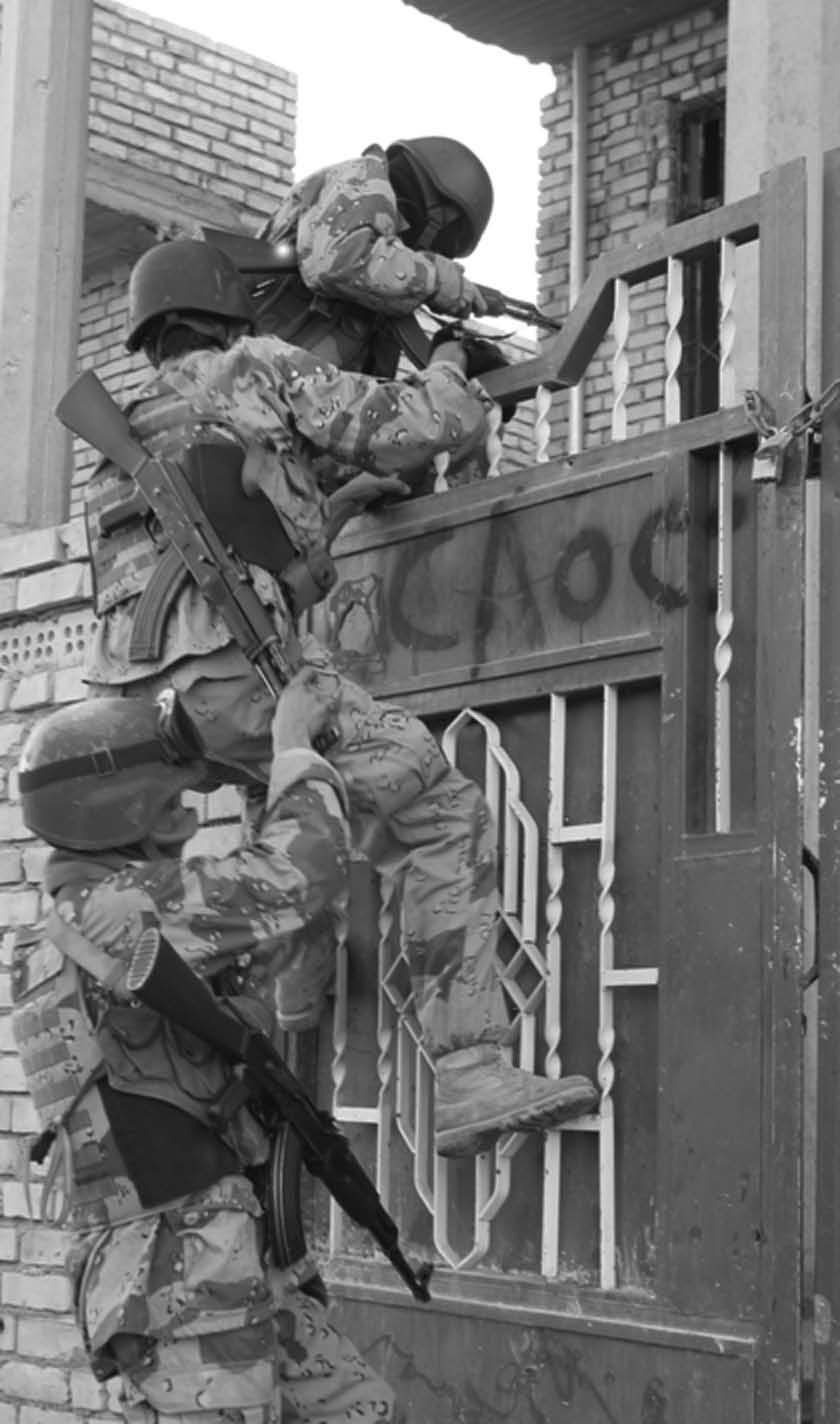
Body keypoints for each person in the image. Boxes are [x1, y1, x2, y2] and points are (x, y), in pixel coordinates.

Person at [82, 237, 598, 1159]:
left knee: (284, 789)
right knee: (438, 808)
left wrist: (341, 502)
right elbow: (423, 424)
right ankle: (473, 1072)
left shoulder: (122, 435)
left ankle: (295, 1000)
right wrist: (451, 357)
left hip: (134, 718)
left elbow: (261, 566)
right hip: (237, 687)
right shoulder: (256, 366)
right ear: (234, 315)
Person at [11, 671, 397, 1423]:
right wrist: (291, 749)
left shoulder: (82, 922)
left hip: (216, 1257)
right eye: (170, 795)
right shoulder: (121, 910)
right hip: (182, 1276)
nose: (187, 808)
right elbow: (295, 877)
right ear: (126, 806)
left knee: (363, 1409)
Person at [253, 135, 498, 376]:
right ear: (442, 214)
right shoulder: (362, 176)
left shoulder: (384, 289)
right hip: (245, 373)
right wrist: (435, 279)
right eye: (446, 240)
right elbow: (337, 261)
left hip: (283, 393)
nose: (437, 251)